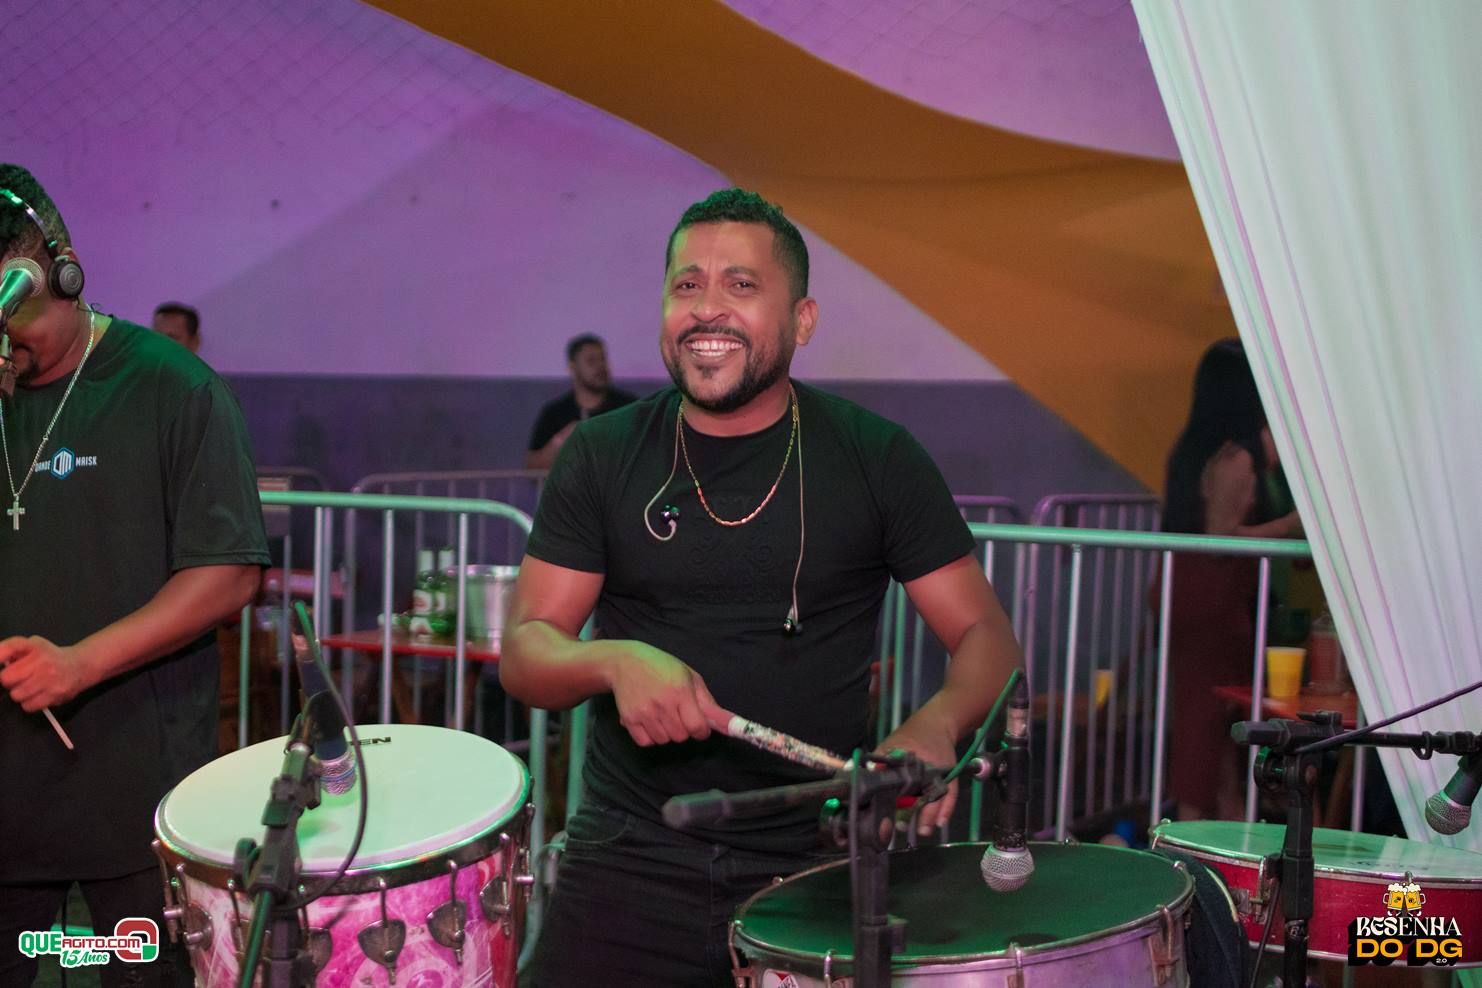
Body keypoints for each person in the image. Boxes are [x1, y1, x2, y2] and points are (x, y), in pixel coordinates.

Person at [501, 188, 1022, 985]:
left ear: (803, 320)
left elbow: (988, 637)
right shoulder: (603, 453)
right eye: (687, 285)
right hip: (629, 855)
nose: (707, 308)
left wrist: (937, 725)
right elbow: (527, 651)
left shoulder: (876, 457)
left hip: (815, 859)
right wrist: (612, 661)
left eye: (740, 285)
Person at [0, 164, 268, 987]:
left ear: (66, 273)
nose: (6, 344)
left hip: (134, 792)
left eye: (15, 317)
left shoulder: (169, 386)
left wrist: (80, 663)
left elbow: (227, 573)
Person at [1159, 337, 1301, 820]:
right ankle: (1192, 825)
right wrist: (1289, 527)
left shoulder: (1194, 449)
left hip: (1192, 590)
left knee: (1207, 716)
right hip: (1213, 596)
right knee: (1206, 719)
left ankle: (1220, 813)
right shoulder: (1235, 457)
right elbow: (1221, 537)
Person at [524, 333, 636, 469]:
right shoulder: (554, 412)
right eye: (591, 361)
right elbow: (532, 468)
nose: (600, 366)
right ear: (572, 368)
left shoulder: (629, 407)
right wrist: (561, 440)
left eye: (603, 359)